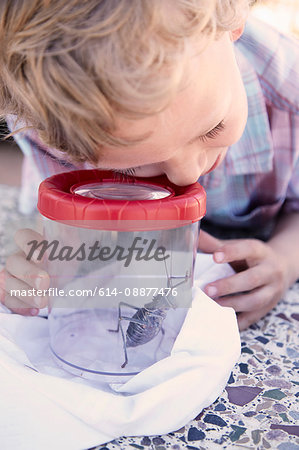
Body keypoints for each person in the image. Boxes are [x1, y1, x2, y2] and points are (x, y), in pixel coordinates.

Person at [0, 0, 298, 330]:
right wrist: (49, 271)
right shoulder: (54, 119)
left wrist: (284, 259)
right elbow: (86, 239)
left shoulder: (291, 95)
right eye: (132, 168)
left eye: (214, 128)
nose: (188, 174)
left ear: (233, 23)